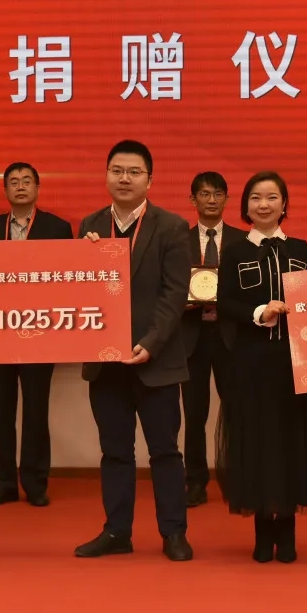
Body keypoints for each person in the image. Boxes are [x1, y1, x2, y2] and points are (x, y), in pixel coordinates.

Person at [74, 140, 194, 562]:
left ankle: (173, 533)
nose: (124, 178)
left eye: (134, 172)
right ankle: (116, 532)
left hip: (156, 362)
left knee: (165, 451)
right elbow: (78, 292)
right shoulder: (89, 226)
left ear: (149, 180)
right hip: (105, 364)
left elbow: (174, 295)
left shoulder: (172, 227)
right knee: (115, 452)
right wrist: (83, 258)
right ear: (106, 175)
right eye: (117, 170)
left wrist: (151, 343)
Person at [213, 171, 307, 564]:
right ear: (245, 206)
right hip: (251, 365)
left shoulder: (301, 250)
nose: (263, 204)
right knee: (257, 445)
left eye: (271, 197)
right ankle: (263, 532)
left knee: (293, 444)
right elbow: (225, 304)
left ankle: (289, 533)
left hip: (295, 365)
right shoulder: (234, 252)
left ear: (284, 204)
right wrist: (259, 312)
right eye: (255, 197)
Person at [0, 162, 73, 508]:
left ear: (37, 188)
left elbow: (68, 278)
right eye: (13, 182)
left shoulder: (58, 228)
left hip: (40, 332)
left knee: (36, 411)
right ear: (5, 190)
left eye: (26, 181)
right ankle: (5, 482)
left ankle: (34, 482)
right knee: (1, 411)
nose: (20, 186)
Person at [180, 171, 245, 507]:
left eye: (218, 193)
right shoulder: (179, 240)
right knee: (194, 414)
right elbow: (167, 284)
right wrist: (181, 300)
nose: (211, 200)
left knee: (235, 411)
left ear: (227, 199)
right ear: (193, 200)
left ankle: (236, 479)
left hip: (230, 337)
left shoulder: (243, 240)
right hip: (191, 337)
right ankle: (195, 481)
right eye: (204, 194)